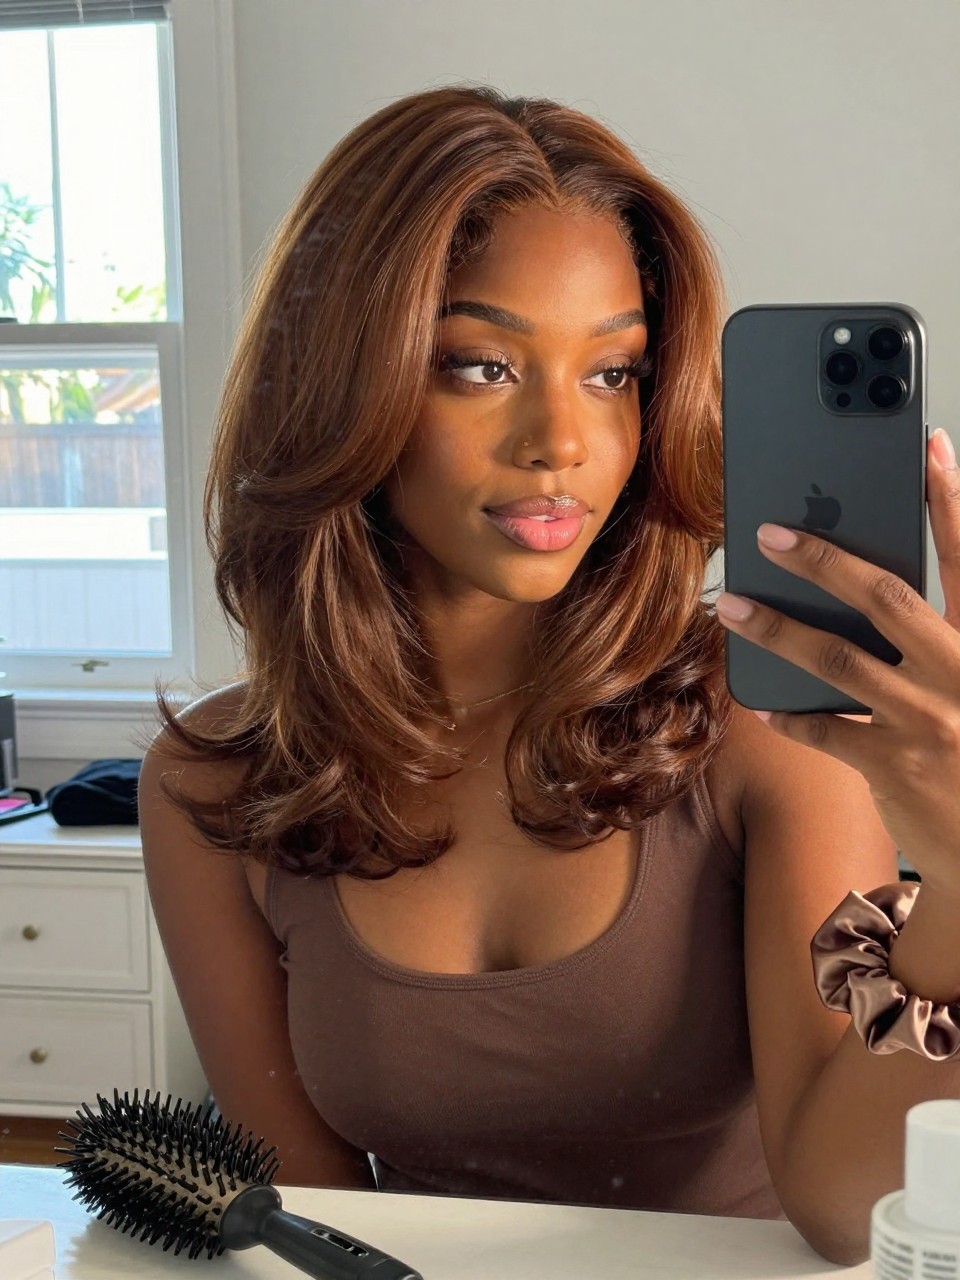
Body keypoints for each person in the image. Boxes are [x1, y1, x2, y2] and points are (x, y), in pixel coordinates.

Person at [138, 84, 960, 1268]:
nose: (561, 443)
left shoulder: (760, 731)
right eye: (479, 366)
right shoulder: (212, 789)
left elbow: (838, 1203)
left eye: (613, 373)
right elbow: (314, 1224)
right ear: (341, 380)